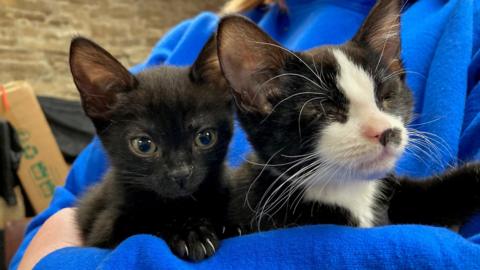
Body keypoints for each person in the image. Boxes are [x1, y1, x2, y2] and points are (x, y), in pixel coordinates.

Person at [13, 0, 480, 269]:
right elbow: (55, 226)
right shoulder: (192, 38)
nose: (380, 126)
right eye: (322, 110)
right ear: (248, 94)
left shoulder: (460, 16)